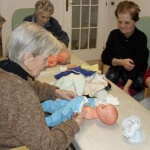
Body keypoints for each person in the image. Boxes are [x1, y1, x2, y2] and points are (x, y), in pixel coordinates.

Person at [0, 22, 86, 150]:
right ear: (28, 58)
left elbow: (30, 85)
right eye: (45, 58)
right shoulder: (21, 95)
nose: (47, 63)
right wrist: (74, 124)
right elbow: (47, 145)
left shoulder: (6, 68)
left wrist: (56, 92)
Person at [101, 1, 149, 95]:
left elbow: (139, 67)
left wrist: (126, 87)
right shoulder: (114, 34)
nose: (122, 26)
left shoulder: (141, 38)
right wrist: (121, 62)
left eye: (127, 23)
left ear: (135, 21)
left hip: (133, 81)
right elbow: (105, 57)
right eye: (120, 22)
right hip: (114, 76)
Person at [41, 96, 118, 127]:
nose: (102, 104)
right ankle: (39, 106)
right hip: (68, 105)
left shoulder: (91, 114)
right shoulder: (94, 109)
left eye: (103, 107)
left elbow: (80, 114)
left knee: (55, 118)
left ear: (102, 116)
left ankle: (40, 123)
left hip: (66, 112)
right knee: (51, 104)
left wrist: (80, 103)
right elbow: (90, 102)